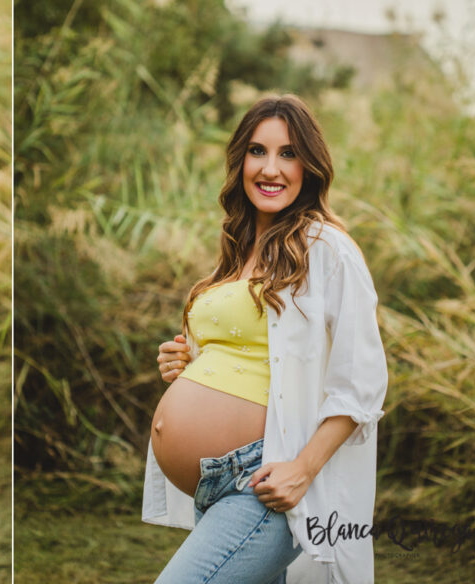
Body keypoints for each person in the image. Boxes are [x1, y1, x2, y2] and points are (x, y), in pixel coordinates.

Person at [143, 94, 387, 584]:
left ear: (309, 167)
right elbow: (254, 354)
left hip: (262, 483)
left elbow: (361, 383)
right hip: (215, 487)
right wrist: (187, 365)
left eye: (288, 153)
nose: (270, 168)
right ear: (240, 161)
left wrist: (302, 469)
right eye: (258, 151)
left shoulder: (327, 249)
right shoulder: (237, 253)